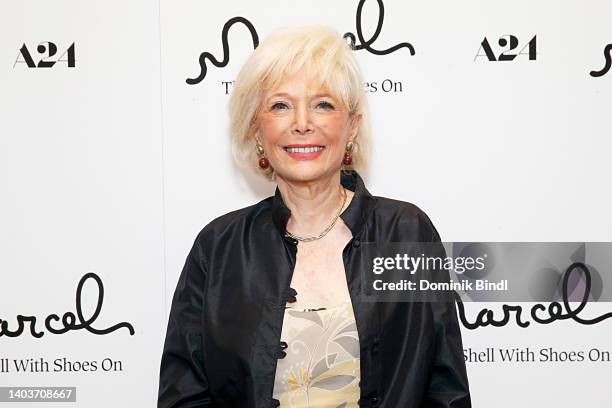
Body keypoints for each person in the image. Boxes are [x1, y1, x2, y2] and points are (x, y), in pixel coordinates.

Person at [158, 24, 471, 408]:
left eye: (323, 104)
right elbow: (184, 395)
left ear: (351, 126)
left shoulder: (403, 233)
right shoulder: (220, 248)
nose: (302, 123)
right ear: (256, 128)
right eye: (280, 105)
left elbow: (445, 390)